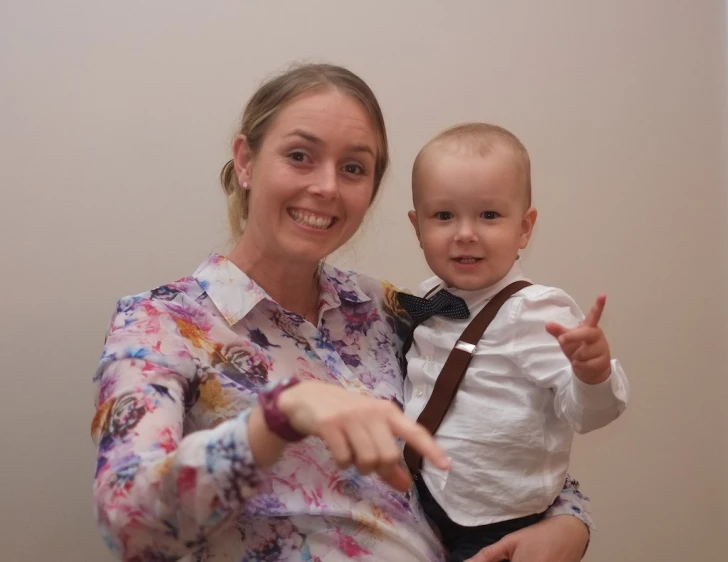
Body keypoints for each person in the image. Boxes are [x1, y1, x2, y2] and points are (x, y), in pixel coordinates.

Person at [91, 63, 594, 562]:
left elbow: (496, 436)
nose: (328, 187)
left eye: (353, 168)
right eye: (300, 156)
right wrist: (277, 418)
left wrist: (571, 520)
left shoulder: (389, 310)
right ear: (245, 161)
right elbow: (130, 527)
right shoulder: (160, 325)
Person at [399, 122, 629, 561]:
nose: (465, 233)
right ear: (418, 227)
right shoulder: (428, 300)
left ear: (524, 229)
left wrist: (592, 374)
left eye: (489, 215)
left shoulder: (536, 311)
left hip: (499, 520)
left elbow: (587, 414)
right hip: (425, 504)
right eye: (444, 216)